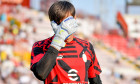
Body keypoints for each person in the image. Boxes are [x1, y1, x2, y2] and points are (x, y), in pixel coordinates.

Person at [30, 1, 102, 84]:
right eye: (60, 24)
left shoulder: (86, 46)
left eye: (67, 22)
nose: (65, 27)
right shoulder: (40, 46)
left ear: (75, 18)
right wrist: (58, 40)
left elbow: (96, 81)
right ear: (53, 24)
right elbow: (41, 74)